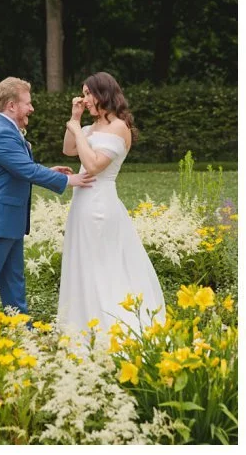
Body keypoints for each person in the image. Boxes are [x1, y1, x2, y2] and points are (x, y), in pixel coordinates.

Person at [0, 77, 94, 316]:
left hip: (5, 219)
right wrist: (68, 181)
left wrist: (49, 171)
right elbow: (25, 170)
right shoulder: (1, 132)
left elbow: (18, 165)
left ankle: (20, 326)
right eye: (28, 103)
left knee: (13, 279)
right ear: (11, 105)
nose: (32, 109)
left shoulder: (5, 129)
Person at [58, 72, 165, 334]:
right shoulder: (89, 128)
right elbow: (69, 150)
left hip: (100, 206)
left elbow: (93, 165)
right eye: (82, 94)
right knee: (83, 264)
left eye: (87, 94)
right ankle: (84, 327)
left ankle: (114, 327)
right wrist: (75, 121)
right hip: (82, 204)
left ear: (103, 94)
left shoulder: (119, 127)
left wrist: (77, 131)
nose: (84, 99)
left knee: (102, 266)